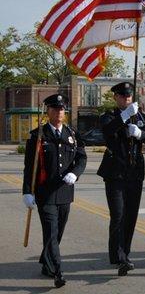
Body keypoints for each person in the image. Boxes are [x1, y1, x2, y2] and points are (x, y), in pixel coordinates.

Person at [22, 94, 87, 288]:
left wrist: (75, 174)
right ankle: (57, 271)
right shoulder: (38, 136)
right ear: (48, 111)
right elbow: (29, 167)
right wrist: (27, 191)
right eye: (55, 109)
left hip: (65, 193)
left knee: (58, 232)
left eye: (62, 109)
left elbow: (81, 158)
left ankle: (46, 262)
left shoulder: (72, 134)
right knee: (51, 232)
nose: (59, 112)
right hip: (45, 193)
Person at [97, 82, 145, 276]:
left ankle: (123, 253)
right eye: (122, 96)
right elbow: (108, 132)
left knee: (131, 216)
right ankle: (120, 256)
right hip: (115, 173)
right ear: (115, 97)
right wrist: (123, 117)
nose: (126, 99)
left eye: (129, 96)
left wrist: (141, 133)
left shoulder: (139, 116)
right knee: (118, 215)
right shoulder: (109, 116)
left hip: (135, 172)